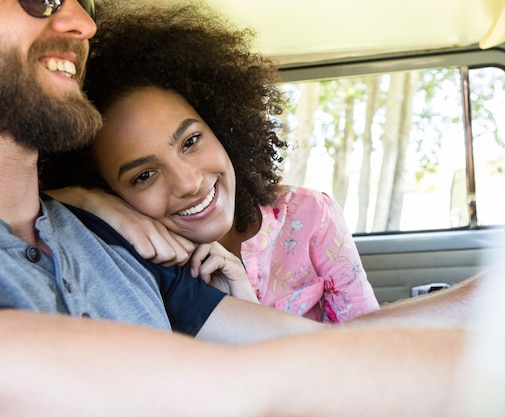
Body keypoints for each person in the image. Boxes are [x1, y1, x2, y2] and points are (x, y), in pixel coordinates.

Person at [0, 0, 472, 414]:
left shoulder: (124, 241)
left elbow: (322, 349)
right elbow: (266, 377)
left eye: (190, 141)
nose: (83, 21)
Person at [42, 0, 379, 323]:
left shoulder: (309, 216)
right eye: (144, 175)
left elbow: (373, 354)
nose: (188, 182)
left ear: (220, 127)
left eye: (190, 141)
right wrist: (92, 201)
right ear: (111, 191)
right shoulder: (129, 262)